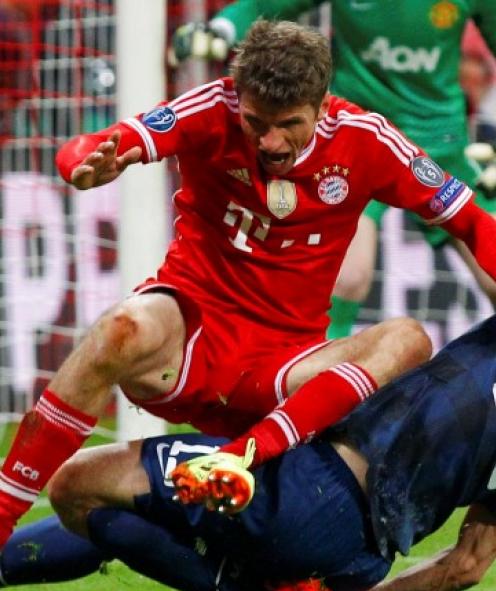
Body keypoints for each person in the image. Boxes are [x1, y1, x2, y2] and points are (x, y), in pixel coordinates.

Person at [3, 18, 496, 545]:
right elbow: (99, 144)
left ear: (324, 105)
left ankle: (242, 461)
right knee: (120, 328)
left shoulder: (367, 142)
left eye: (289, 124)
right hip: (189, 343)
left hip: (284, 371)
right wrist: (85, 165)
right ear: (238, 97)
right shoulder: (210, 110)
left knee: (407, 339)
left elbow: (471, 220)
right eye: (256, 122)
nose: (271, 141)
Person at [3, 314, 496, 591]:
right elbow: (467, 566)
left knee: (77, 484)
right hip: (357, 562)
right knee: (140, 510)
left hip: (308, 493)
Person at [172, 2, 496, 339]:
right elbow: (265, 5)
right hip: (354, 135)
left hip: (439, 142)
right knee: (346, 276)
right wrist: (222, 30)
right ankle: (308, 380)